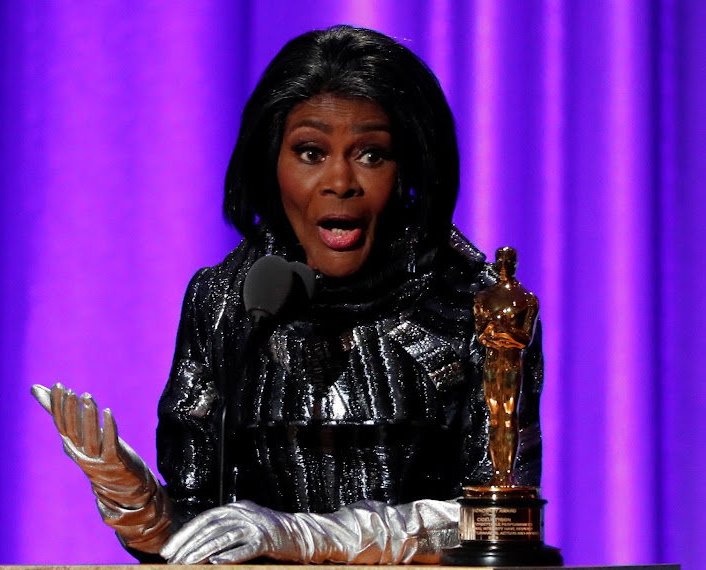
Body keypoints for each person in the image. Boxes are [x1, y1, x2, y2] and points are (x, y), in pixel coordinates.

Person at [33, 25, 544, 564]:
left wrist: (305, 538)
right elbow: (197, 529)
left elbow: (499, 525)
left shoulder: (484, 311)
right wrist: (134, 500)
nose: (340, 181)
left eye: (372, 154)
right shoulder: (226, 301)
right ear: (271, 163)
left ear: (411, 170)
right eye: (309, 152)